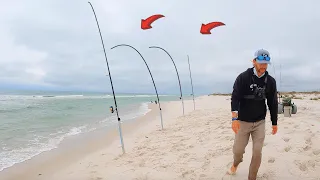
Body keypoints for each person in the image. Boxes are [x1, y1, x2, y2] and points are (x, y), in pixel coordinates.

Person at [228, 49, 278, 180]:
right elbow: (235, 97)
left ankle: (252, 177)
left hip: (259, 122)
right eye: (261, 62)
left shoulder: (270, 81)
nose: (264, 66)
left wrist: (274, 123)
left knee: (257, 152)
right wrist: (234, 118)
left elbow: (273, 102)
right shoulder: (243, 77)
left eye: (266, 63)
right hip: (243, 122)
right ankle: (235, 163)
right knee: (238, 151)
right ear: (254, 61)